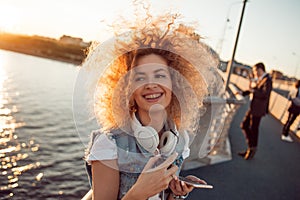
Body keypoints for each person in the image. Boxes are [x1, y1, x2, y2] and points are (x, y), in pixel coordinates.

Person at [81, 12, 221, 200]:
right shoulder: (108, 145)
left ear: (175, 82)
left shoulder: (179, 140)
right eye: (140, 77)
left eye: (160, 75)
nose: (151, 84)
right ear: (127, 88)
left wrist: (176, 194)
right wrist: (139, 193)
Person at [238, 62, 273, 160]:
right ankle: (251, 147)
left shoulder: (268, 80)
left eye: (255, 71)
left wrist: (254, 91)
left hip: (258, 109)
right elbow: (254, 89)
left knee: (254, 129)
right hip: (254, 108)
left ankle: (252, 149)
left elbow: (265, 94)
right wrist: (243, 92)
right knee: (244, 125)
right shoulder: (262, 79)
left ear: (260, 69)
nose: (254, 73)